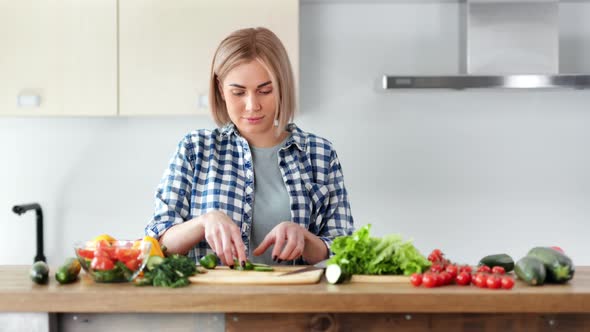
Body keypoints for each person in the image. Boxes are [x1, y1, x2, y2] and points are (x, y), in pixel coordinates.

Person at [145, 27, 354, 268]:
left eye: (265, 90)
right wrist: (204, 222)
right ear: (220, 89)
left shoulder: (320, 154)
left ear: (282, 86)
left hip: (292, 303)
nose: (252, 105)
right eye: (238, 92)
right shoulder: (195, 149)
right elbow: (156, 244)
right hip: (212, 302)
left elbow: (344, 247)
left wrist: (306, 239)